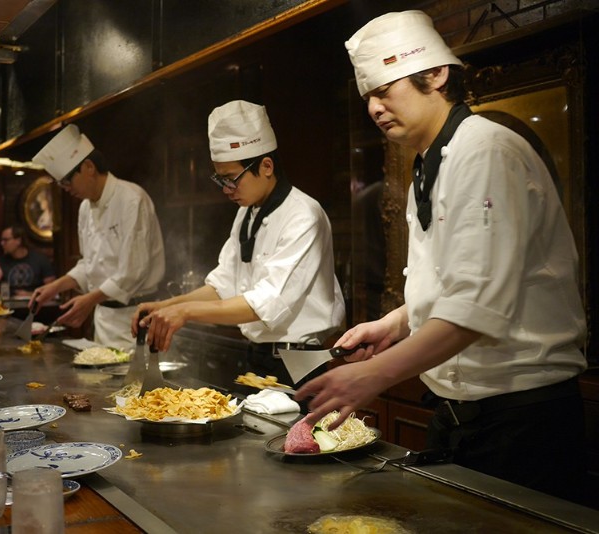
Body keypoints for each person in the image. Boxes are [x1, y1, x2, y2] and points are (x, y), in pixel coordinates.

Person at [295, 11, 587, 504]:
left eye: (385, 89)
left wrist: (373, 375)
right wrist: (395, 323)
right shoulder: (431, 165)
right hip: (457, 415)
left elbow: (477, 306)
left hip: (520, 421)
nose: (374, 107)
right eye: (367, 95)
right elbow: (459, 281)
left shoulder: (486, 150)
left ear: (436, 74)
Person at [134, 101, 345, 387]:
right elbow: (223, 285)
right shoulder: (246, 213)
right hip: (258, 358)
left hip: (298, 363)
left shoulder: (303, 214)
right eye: (220, 180)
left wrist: (184, 312)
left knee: (292, 434)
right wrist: (165, 305)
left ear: (266, 166)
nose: (226, 190)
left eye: (232, 179)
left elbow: (265, 303)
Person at [29, 124, 165, 350]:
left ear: (89, 167)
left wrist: (89, 300)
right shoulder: (85, 208)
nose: (65, 189)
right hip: (104, 320)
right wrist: (56, 287)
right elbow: (89, 264)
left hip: (136, 319)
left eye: (67, 181)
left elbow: (132, 272)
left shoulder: (132, 199)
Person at [0, 225, 56, 297]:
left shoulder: (40, 260)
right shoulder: (0, 261)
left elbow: (52, 290)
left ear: (18, 241)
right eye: (2, 240)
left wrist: (30, 295)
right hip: (8, 305)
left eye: (6, 240)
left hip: (34, 303)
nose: (2, 243)